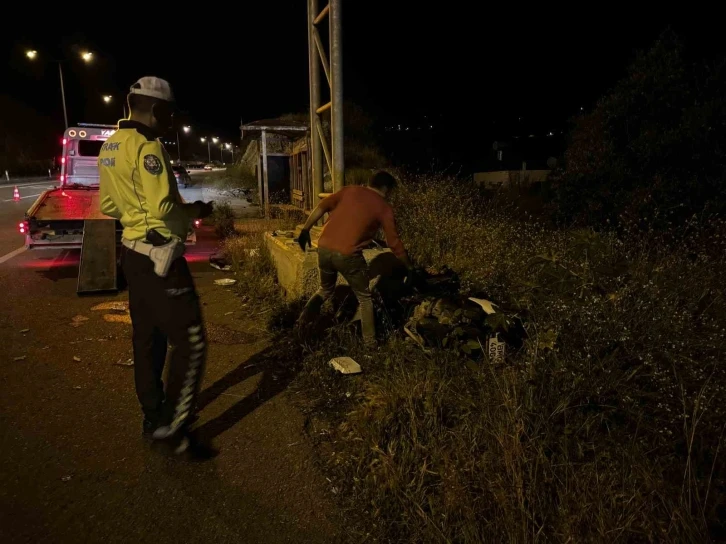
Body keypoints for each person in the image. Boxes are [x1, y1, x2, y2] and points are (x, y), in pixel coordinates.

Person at [98, 77, 214, 457]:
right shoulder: (148, 147)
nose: (169, 120)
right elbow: (163, 207)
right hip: (159, 256)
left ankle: (153, 416)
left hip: (131, 254)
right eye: (168, 112)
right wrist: (194, 214)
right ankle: (174, 427)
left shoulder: (111, 146)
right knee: (191, 341)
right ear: (156, 109)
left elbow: (109, 207)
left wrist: (135, 215)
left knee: (148, 340)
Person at [297, 171, 412, 346]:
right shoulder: (383, 207)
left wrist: (305, 230)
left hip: (324, 248)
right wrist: (408, 266)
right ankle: (370, 344)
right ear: (386, 188)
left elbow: (322, 206)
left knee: (325, 290)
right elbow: (393, 242)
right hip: (347, 254)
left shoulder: (348, 191)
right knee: (365, 298)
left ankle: (302, 322)